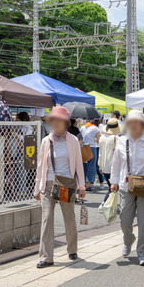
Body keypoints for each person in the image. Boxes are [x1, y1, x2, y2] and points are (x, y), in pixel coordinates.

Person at [110, 110, 144, 266]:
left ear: (142, 125)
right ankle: (128, 240)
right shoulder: (121, 141)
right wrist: (113, 181)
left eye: (137, 123)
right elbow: (116, 163)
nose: (133, 126)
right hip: (125, 186)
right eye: (130, 123)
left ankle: (143, 253)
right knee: (125, 220)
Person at [34, 107, 86, 268]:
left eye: (58, 121)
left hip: (65, 182)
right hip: (48, 183)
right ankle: (46, 257)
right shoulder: (46, 141)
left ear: (65, 123)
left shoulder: (72, 141)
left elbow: (78, 164)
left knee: (68, 217)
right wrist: (37, 187)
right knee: (47, 218)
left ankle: (72, 249)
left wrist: (82, 186)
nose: (55, 124)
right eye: (53, 121)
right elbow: (41, 165)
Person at [98, 118, 121, 206]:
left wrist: (99, 166)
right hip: (113, 166)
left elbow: (100, 153)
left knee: (111, 186)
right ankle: (105, 203)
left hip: (104, 165)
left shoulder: (102, 138)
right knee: (114, 187)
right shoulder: (116, 138)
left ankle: (109, 204)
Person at [81, 119, 101, 189]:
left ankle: (83, 183)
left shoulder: (83, 127)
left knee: (84, 166)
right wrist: (95, 139)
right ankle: (88, 183)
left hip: (83, 147)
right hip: (92, 147)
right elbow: (99, 140)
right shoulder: (96, 128)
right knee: (91, 166)